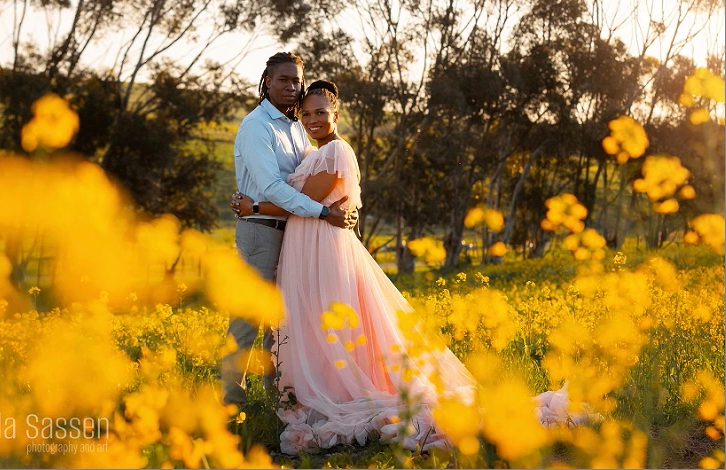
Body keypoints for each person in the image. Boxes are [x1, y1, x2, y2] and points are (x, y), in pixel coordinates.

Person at [232, 80, 601, 455]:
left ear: (336, 114)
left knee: (329, 320)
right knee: (314, 323)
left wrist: (255, 208)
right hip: (308, 244)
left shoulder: (335, 152)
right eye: (307, 113)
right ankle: (319, 393)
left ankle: (340, 394)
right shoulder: (316, 152)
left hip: (321, 247)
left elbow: (302, 201)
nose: (312, 119)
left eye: (320, 113)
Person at [223, 53, 357, 408]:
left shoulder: (297, 126)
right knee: (247, 319)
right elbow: (270, 187)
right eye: (283, 79)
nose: (292, 87)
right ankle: (230, 405)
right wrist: (323, 211)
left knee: (281, 324)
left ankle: (278, 401)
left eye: (297, 80)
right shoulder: (257, 126)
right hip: (261, 230)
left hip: (295, 233)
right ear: (267, 81)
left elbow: (313, 179)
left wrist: (343, 205)